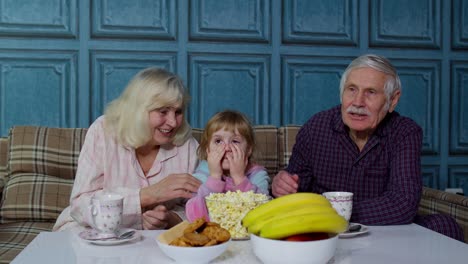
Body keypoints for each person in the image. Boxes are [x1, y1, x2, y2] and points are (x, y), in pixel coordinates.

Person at [271, 54, 464, 241]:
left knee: (445, 225)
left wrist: (334, 212)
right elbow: (294, 189)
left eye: (371, 92)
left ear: (393, 100)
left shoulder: (405, 132)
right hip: (324, 231)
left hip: (384, 230)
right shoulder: (316, 127)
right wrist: (281, 185)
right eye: (352, 89)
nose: (357, 102)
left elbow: (403, 204)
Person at [53, 67, 201, 231]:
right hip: (90, 228)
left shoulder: (188, 146)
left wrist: (171, 219)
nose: (173, 122)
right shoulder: (103, 131)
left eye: (178, 112)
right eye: (163, 111)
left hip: (152, 237)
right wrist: (147, 195)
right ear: (139, 110)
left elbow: (199, 209)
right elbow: (80, 205)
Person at [185, 110, 270, 221]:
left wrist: (239, 178)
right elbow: (195, 217)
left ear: (248, 150)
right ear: (207, 150)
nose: (226, 148)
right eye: (218, 141)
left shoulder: (257, 175)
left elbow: (264, 213)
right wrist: (215, 177)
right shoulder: (203, 172)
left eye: (235, 141)